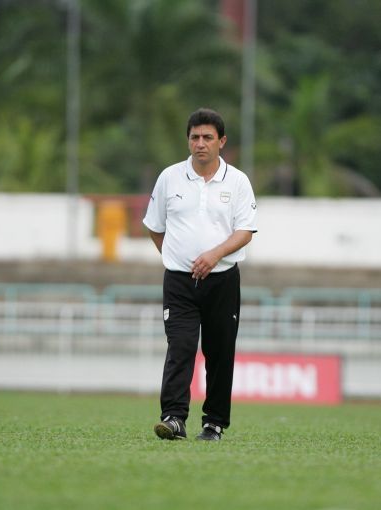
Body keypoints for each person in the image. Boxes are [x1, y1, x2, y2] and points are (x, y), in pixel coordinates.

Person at [143, 108, 257, 441]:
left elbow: (245, 230)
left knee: (219, 352)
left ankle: (214, 423)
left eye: (208, 137)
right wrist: (176, 257)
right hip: (179, 282)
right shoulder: (170, 178)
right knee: (180, 347)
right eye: (195, 137)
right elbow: (155, 226)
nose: (200, 143)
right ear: (188, 140)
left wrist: (214, 255)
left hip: (222, 281)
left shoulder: (238, 181)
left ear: (222, 141)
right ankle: (173, 418)